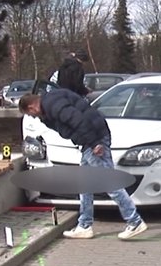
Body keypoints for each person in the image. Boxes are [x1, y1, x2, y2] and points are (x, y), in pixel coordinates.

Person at [18, 89, 147, 240]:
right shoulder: (51, 101)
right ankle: (84, 225)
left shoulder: (52, 105)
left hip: (93, 140)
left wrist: (94, 143)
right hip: (91, 139)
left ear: (31, 107)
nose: (33, 117)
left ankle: (134, 221)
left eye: (30, 114)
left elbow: (77, 119)